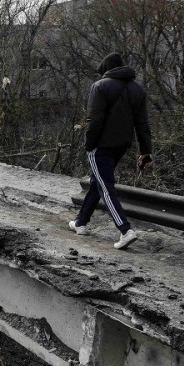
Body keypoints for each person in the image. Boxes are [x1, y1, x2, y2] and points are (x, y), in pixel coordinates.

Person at [69, 52, 153, 249]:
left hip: (101, 144)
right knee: (97, 181)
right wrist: (145, 151)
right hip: (122, 144)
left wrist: (89, 143)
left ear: (106, 69)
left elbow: (94, 119)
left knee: (105, 187)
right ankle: (81, 223)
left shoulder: (99, 86)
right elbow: (142, 124)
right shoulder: (138, 90)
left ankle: (125, 230)